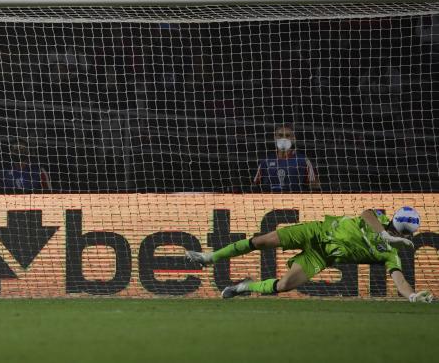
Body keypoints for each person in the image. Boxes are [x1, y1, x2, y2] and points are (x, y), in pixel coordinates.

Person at [186, 206, 433, 303]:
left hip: (320, 257)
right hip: (315, 232)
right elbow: (366, 214)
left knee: (283, 285)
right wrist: (385, 234)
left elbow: (399, 279)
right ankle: (210, 257)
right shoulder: (378, 219)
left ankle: (244, 287)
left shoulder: (391, 255)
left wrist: (411, 296)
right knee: (262, 240)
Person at [253, 123, 319, 192]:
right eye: (280, 135)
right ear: (275, 137)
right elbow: (255, 186)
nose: (283, 139)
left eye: (287, 136)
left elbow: (315, 186)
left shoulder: (303, 161)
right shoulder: (265, 161)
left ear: (293, 139)